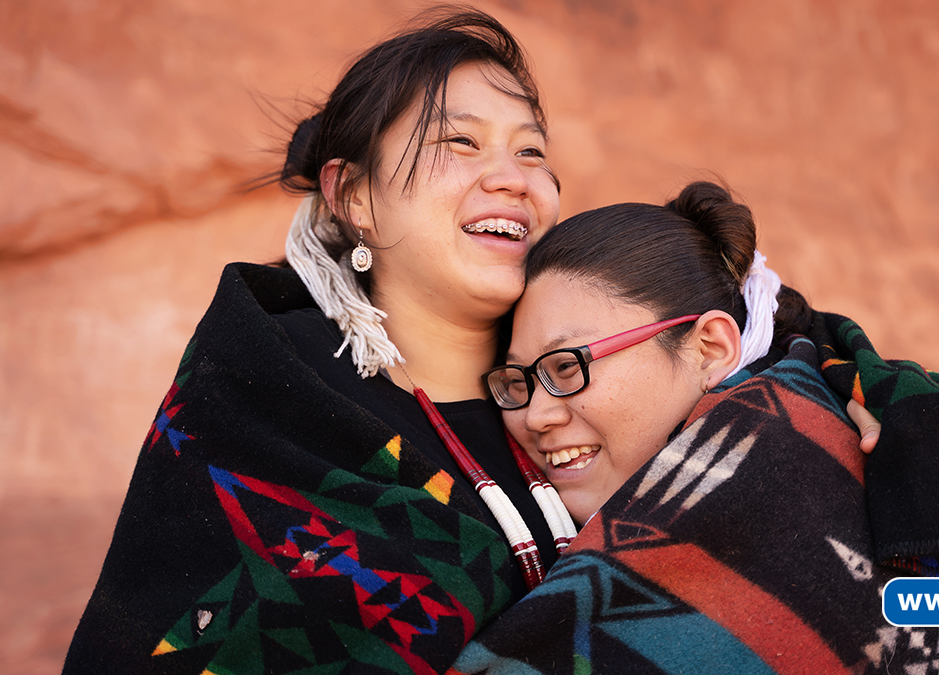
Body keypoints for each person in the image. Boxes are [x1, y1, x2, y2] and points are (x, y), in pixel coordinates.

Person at [63, 10, 574, 675]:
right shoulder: (266, 393)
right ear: (353, 195)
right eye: (461, 142)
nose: (513, 178)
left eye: (531, 150)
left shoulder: (589, 384)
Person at [454, 182, 939, 674]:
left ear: (710, 347)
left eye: (567, 367)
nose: (535, 415)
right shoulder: (798, 425)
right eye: (517, 383)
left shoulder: (773, 476)